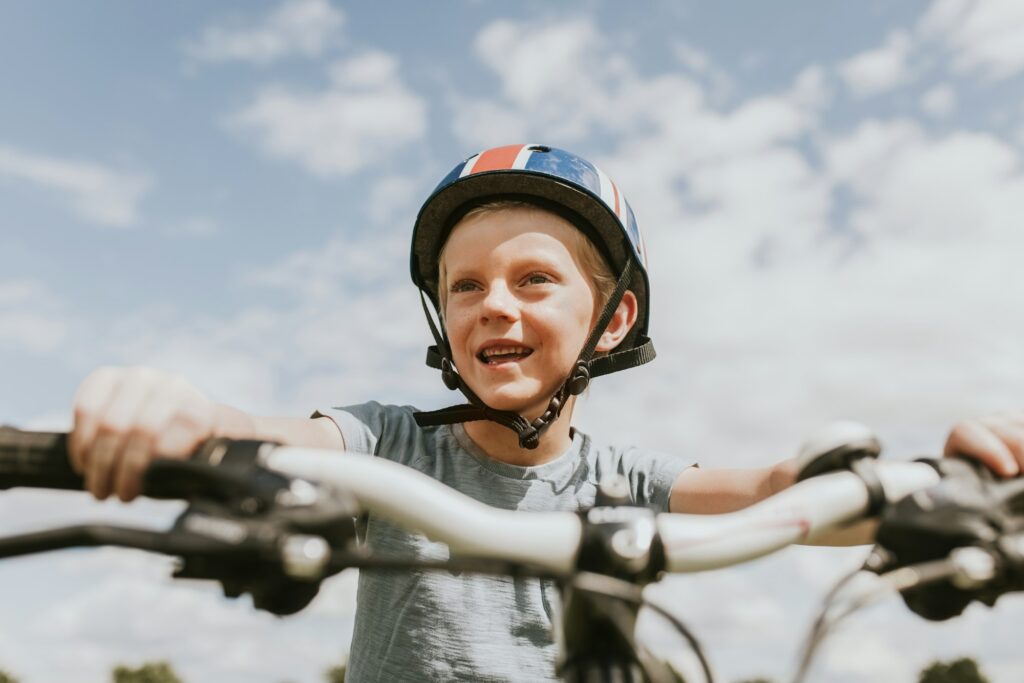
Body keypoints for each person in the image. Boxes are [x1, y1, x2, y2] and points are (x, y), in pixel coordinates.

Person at [68, 144, 1024, 681]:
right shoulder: (391, 444)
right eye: (467, 285)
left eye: (535, 280)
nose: (496, 305)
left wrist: (949, 479)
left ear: (615, 320)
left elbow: (776, 490)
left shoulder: (625, 476)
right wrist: (185, 416)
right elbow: (285, 441)